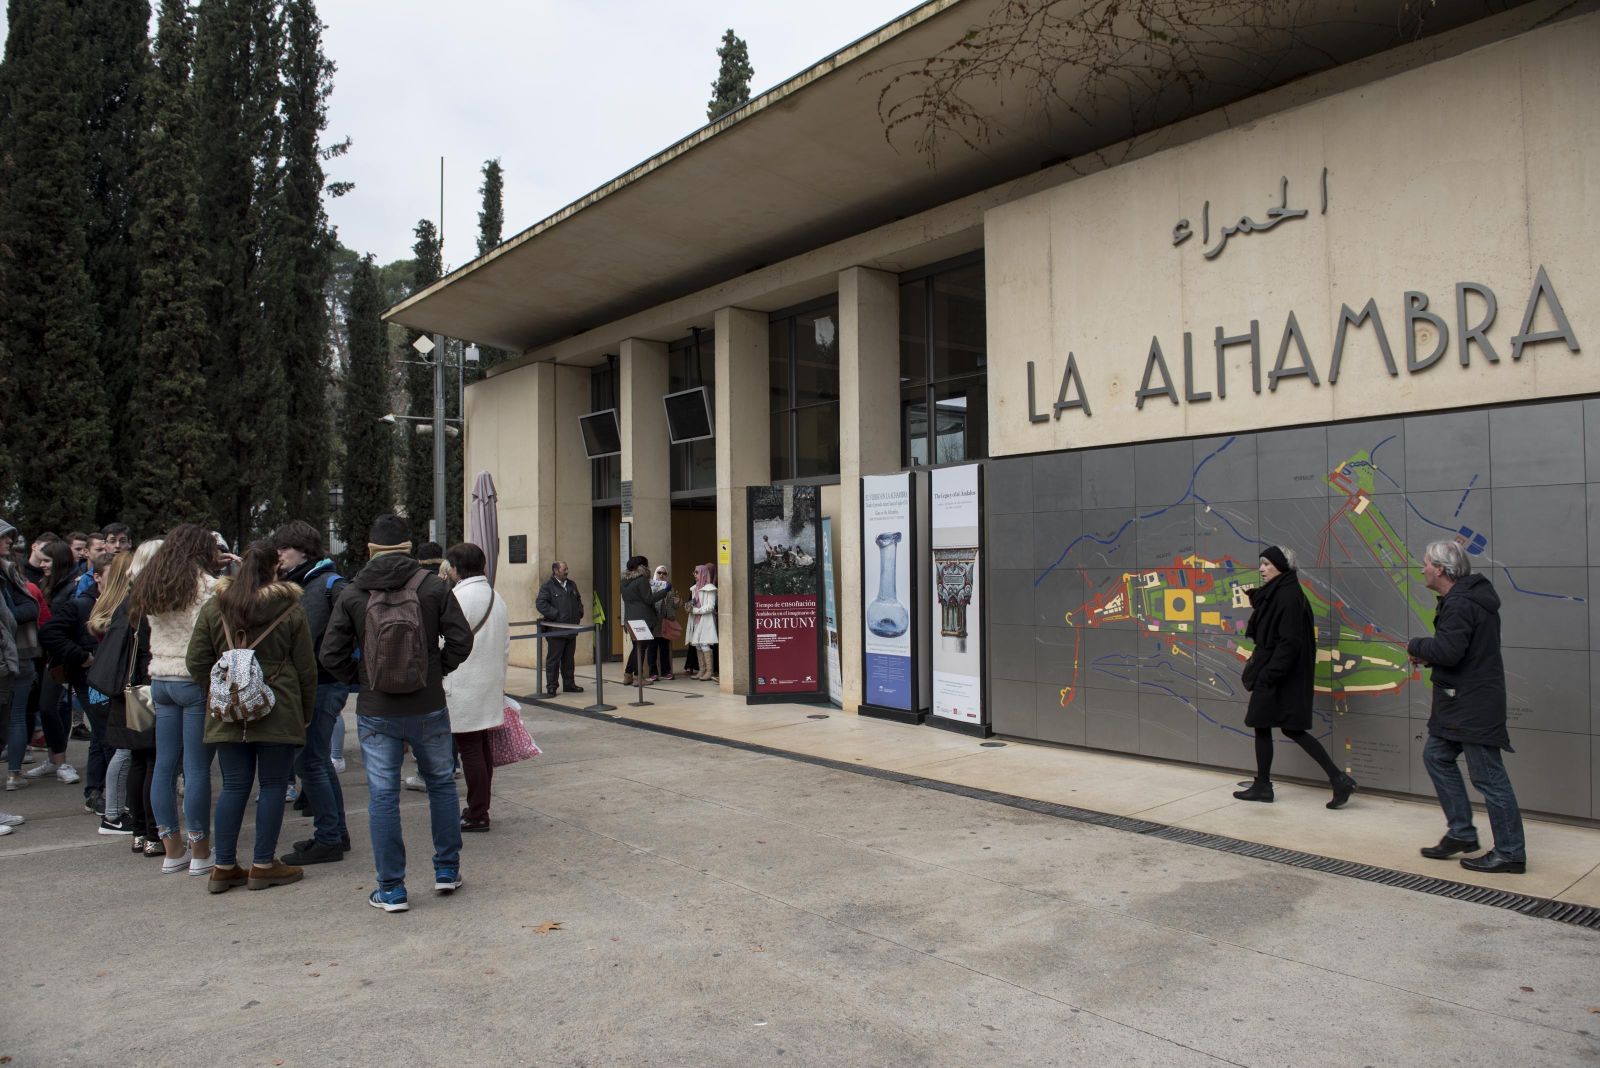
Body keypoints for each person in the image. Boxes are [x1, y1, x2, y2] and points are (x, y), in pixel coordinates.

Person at [320, 514, 474, 912]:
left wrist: (363, 679)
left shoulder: (353, 592)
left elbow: (331, 654)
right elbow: (461, 640)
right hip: (428, 704)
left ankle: (391, 889)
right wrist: (436, 669)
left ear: (369, 549)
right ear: (409, 547)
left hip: (376, 710)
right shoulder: (433, 586)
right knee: (440, 784)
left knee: (383, 796)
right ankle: (445, 871)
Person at [186, 541, 316, 893]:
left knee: (233, 785)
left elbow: (196, 661)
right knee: (273, 785)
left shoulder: (215, 607)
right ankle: (263, 864)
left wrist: (222, 690)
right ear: (276, 568)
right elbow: (306, 667)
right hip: (279, 705)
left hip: (228, 713)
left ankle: (224, 866)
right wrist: (304, 712)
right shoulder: (290, 609)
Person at [1408, 540, 1526, 875]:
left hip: (1471, 705)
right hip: (1461, 702)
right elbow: (1459, 651)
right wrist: (1431, 655)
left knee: (1489, 778)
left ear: (1441, 570)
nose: (1423, 569)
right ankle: (1462, 832)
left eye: (1427, 563)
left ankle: (1511, 852)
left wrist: (1416, 646)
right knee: (1436, 756)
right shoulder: (1464, 599)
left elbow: (1448, 650)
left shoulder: (1460, 604)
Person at [128, 524, 222, 876]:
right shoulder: (209, 588)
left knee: (164, 766)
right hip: (194, 680)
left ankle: (171, 849)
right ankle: (200, 851)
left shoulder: (151, 585)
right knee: (197, 769)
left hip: (160, 680)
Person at [1233, 545, 1356, 808]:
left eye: (1267, 563)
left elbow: (1290, 643)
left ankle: (1335, 779)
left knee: (1282, 726)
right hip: (1279, 673)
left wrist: (1268, 675)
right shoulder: (1280, 593)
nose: (1261, 568)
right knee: (1268, 724)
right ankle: (1266, 785)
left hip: (1280, 675)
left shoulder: (1287, 596)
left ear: (1281, 566)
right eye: (1261, 563)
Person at [272, 520, 353, 866]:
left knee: (310, 761)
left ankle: (329, 838)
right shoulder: (313, 580)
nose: (279, 554)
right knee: (316, 760)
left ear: (303, 549)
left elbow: (299, 637)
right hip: (326, 681)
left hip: (321, 682)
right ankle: (335, 833)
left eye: (284, 548)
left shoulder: (316, 584)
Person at [92, 540, 160, 846]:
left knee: (138, 760)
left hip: (127, 691)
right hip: (144, 690)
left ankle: (139, 833)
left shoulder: (127, 599)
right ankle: (152, 833)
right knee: (152, 762)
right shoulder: (151, 602)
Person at [443, 543, 508, 833]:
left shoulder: (457, 597)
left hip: (463, 683)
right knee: (481, 749)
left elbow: (443, 642)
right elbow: (505, 645)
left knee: (470, 750)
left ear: (456, 568)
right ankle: (480, 808)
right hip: (489, 683)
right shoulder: (496, 597)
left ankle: (478, 812)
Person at [27, 540, 84, 786]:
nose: (43, 564)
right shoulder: (49, 584)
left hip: (62, 657)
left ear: (59, 562)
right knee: (48, 708)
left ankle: (60, 762)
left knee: (51, 707)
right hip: (50, 657)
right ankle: (55, 759)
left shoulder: (72, 586)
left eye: (48, 560)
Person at [0, 520, 45, 791]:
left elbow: (31, 608)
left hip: (19, 655)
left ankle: (15, 773)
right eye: (5, 537)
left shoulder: (8, 572)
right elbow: (23, 611)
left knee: (15, 716)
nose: (9, 542)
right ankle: (14, 774)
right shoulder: (7, 574)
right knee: (15, 717)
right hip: (9, 659)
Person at [536, 560, 584, 696]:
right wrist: (556, 614)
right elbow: (540, 603)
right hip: (556, 630)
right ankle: (552, 686)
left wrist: (579, 613)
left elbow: (578, 600)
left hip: (571, 628)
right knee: (554, 660)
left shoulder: (571, 584)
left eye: (567, 568)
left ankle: (569, 684)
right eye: (564, 569)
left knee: (569, 659)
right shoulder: (548, 586)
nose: (567, 571)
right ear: (556, 571)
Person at [620, 556, 670, 686]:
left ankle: (627, 675)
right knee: (641, 649)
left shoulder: (624, 581)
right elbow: (648, 599)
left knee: (636, 648)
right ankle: (638, 678)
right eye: (646, 565)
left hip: (630, 618)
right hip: (643, 619)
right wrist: (664, 591)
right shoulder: (642, 580)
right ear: (641, 566)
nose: (648, 568)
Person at [685, 563, 719, 682]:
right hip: (696, 620)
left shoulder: (710, 588)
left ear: (703, 573)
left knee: (704, 644)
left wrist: (696, 610)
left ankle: (709, 671)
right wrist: (689, 607)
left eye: (697, 572)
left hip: (706, 620)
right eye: (694, 572)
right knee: (698, 644)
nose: (694, 574)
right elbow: (694, 602)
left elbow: (710, 606)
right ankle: (702, 670)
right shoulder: (694, 588)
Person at [650, 565, 678, 681]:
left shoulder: (670, 588)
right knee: (652, 648)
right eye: (659, 573)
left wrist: (678, 602)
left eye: (664, 573)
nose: (661, 575)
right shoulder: (651, 587)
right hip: (654, 621)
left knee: (665, 648)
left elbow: (674, 605)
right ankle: (653, 672)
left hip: (665, 622)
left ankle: (666, 671)